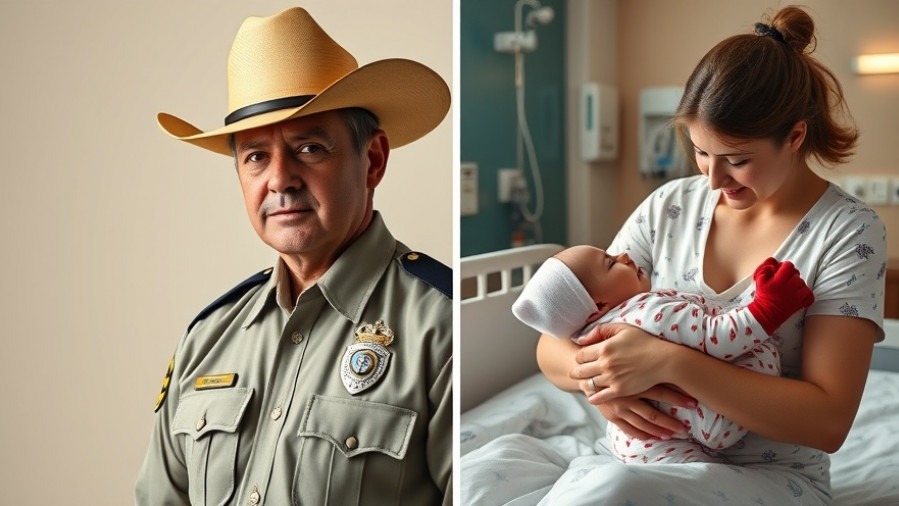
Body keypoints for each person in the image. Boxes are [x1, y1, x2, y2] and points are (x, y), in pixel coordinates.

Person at [534, 5, 885, 504]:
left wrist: (668, 363)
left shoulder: (846, 233)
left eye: (737, 160)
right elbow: (553, 345)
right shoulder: (669, 207)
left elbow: (827, 422)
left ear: (795, 136)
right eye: (700, 152)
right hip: (641, 457)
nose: (713, 179)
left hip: (768, 477)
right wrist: (604, 384)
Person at [134, 7, 452, 506]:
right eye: (256, 156)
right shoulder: (208, 338)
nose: (279, 179)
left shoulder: (442, 327)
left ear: (372, 160)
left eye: (309, 148)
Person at [512, 245, 814, 463]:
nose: (624, 254)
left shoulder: (588, 331)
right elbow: (718, 338)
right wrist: (769, 308)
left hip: (639, 445)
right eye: (610, 262)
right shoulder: (647, 311)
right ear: (599, 306)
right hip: (714, 421)